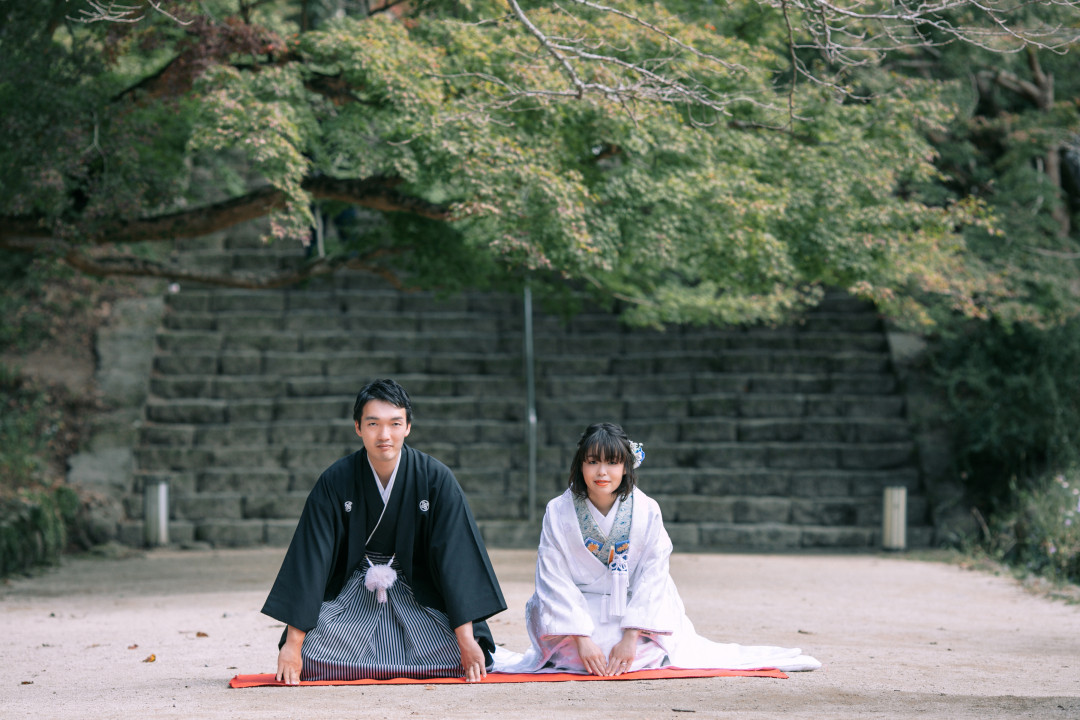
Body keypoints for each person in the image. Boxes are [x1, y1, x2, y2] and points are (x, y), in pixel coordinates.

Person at [495, 422, 820, 675]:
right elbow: (552, 576)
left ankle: (633, 649)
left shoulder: (647, 509)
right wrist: (582, 639)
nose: (602, 472)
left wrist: (630, 637)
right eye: (593, 462)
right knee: (585, 653)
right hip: (576, 611)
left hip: (632, 609)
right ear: (580, 465)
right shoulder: (558, 510)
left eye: (612, 462)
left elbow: (654, 575)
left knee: (626, 652)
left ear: (626, 467)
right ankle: (586, 651)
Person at [262, 378, 507, 684]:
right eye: (374, 423)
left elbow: (456, 559)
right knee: (311, 654)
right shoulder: (336, 481)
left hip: (419, 592)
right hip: (355, 592)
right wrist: (293, 645)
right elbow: (313, 558)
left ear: (408, 427)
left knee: (458, 652)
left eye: (394, 423)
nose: (384, 435)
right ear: (357, 427)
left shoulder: (435, 479)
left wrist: (467, 640)